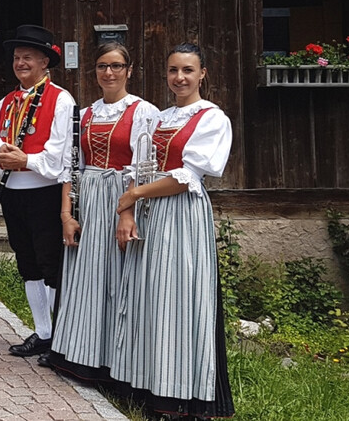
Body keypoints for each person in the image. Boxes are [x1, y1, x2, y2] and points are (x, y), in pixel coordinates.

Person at [109, 43, 234, 418]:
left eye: (188, 71)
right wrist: (127, 212)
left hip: (181, 215)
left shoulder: (212, 118)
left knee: (177, 299)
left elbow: (188, 176)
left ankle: (181, 395)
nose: (180, 78)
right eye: (173, 71)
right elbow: (139, 165)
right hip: (149, 213)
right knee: (149, 297)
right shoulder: (159, 118)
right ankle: (152, 386)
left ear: (202, 74)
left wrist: (134, 194)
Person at [47, 42, 160, 374]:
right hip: (90, 198)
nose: (108, 73)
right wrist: (67, 215)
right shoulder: (85, 113)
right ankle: (82, 353)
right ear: (94, 71)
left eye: (116, 66)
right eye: (101, 66)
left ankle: (117, 361)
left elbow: (143, 168)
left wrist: (126, 211)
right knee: (87, 277)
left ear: (129, 70)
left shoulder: (143, 111)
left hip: (122, 198)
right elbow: (71, 166)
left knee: (118, 278)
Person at [0, 25, 76, 357]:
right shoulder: (8, 101)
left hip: (45, 191)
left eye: (28, 58)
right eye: (17, 58)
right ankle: (42, 331)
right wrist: (4, 151)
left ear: (45, 61)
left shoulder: (60, 100)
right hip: (14, 193)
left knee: (51, 265)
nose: (20, 63)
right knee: (27, 263)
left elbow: (60, 155)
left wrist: (26, 159)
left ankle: (60, 337)